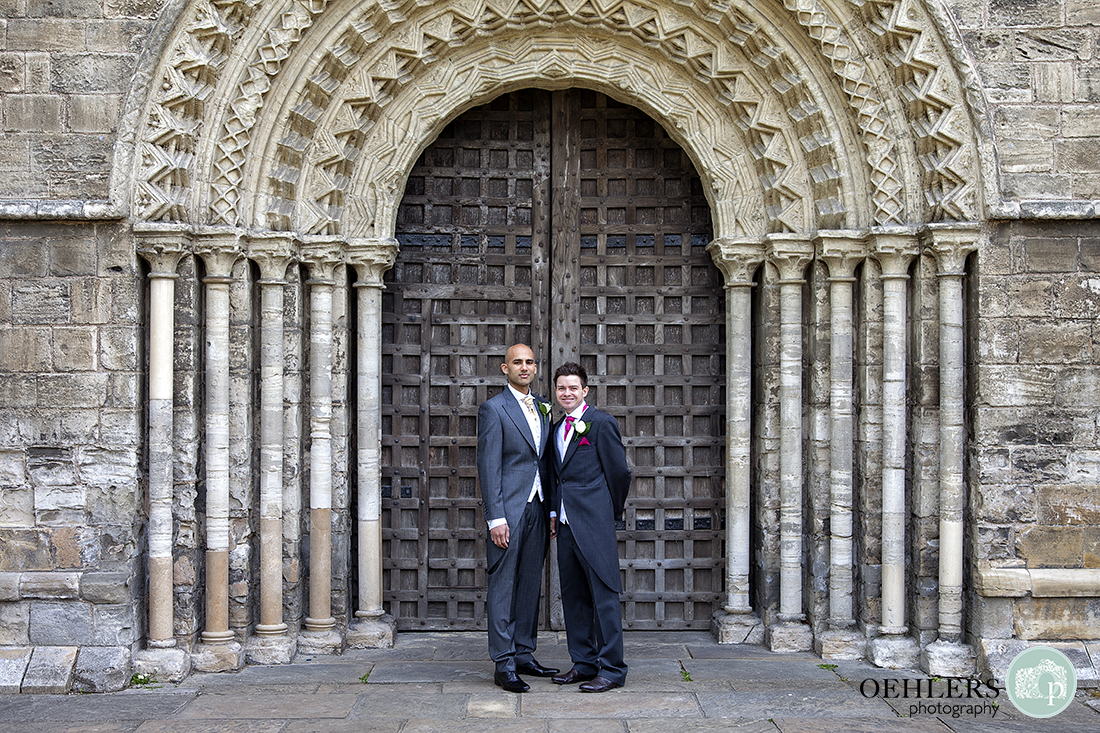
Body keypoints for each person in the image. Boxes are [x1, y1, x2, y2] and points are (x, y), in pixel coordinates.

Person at [476, 343, 559, 693]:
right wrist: (495, 518)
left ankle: (524, 653)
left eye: (529, 363)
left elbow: (547, 462)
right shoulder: (493, 409)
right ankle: (504, 662)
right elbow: (488, 466)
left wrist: (553, 508)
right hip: (508, 510)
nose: (524, 368)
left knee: (529, 585)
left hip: (539, 507)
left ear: (535, 367)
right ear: (504, 368)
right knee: (504, 585)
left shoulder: (543, 407)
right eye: (517, 363)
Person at [548, 361, 631, 693]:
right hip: (566, 525)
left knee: (604, 596)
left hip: (594, 523)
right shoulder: (556, 428)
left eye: (572, 387)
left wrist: (608, 511)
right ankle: (583, 663)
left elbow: (619, 474)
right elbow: (558, 477)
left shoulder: (600, 423)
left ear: (585, 390)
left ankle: (612, 669)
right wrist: (555, 513)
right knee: (574, 596)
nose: (566, 393)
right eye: (561, 388)